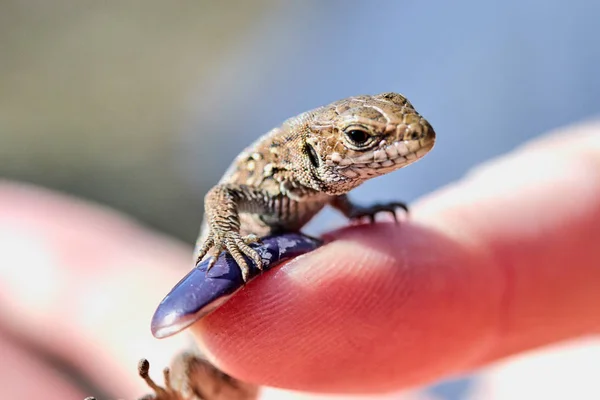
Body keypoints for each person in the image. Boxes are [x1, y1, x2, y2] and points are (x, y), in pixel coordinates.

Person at [0, 122, 598, 400]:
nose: (404, 142)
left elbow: (325, 189)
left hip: (272, 318)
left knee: (250, 352)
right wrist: (229, 240)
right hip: (231, 272)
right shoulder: (279, 172)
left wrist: (353, 207)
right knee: (205, 362)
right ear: (316, 149)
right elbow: (221, 197)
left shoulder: (314, 175)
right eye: (364, 139)